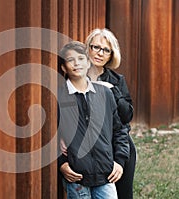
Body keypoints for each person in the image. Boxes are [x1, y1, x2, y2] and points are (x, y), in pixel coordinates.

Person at [57, 41, 129, 199]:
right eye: (70, 60)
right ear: (63, 68)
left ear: (88, 62)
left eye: (81, 58)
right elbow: (50, 136)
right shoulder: (58, 97)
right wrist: (61, 163)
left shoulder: (105, 93)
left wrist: (119, 161)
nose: (77, 63)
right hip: (77, 177)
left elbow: (120, 130)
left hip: (106, 174)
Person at [85, 28, 136, 199]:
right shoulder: (76, 77)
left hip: (118, 147)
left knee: (122, 194)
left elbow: (127, 115)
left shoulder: (116, 80)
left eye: (106, 50)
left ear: (111, 55)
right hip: (89, 149)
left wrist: (112, 91)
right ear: (88, 48)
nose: (100, 53)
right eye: (96, 47)